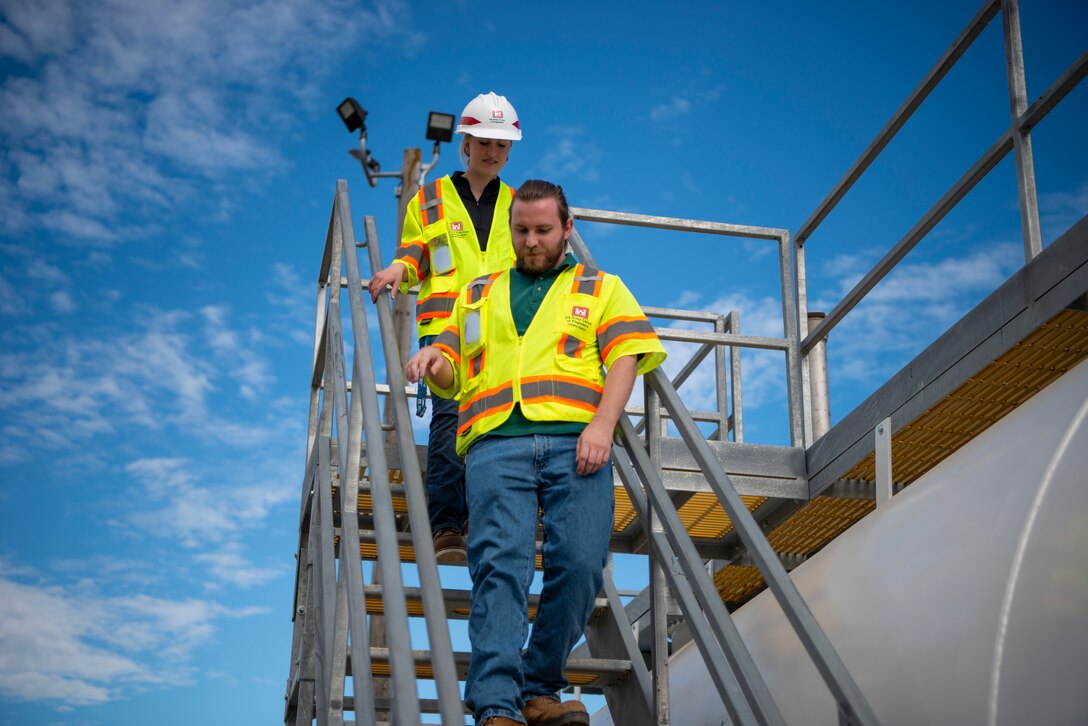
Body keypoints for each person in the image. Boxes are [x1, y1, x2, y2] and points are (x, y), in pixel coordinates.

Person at [406, 180, 666, 726]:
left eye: (543, 230)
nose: (531, 241)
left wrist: (603, 423)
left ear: (567, 229)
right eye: (521, 230)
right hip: (495, 444)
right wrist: (435, 359)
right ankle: (497, 703)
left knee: (580, 564)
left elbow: (626, 356)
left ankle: (539, 685)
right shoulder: (476, 292)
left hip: (579, 444)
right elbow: (455, 372)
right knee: (500, 567)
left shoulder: (601, 287)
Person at [369, 92, 522, 562]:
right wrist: (398, 268)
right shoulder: (430, 197)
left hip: (501, 327)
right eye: (483, 142)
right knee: (450, 417)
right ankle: (447, 527)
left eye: (501, 144)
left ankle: (483, 514)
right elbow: (415, 251)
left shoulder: (519, 203)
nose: (492, 152)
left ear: (509, 149)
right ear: (466, 143)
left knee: (496, 423)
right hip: (446, 329)